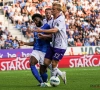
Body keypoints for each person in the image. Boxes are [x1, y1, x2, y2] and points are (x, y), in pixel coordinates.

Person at [34, 3, 67, 85]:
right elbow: (45, 27)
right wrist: (40, 32)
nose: (52, 10)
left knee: (54, 63)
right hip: (53, 44)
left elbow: (54, 30)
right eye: (52, 8)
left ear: (58, 11)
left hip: (60, 45)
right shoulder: (52, 20)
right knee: (45, 62)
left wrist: (41, 31)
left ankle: (53, 82)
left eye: (53, 9)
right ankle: (60, 74)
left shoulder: (61, 19)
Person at [20, 13, 51, 87]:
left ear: (41, 19)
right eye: (34, 21)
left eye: (36, 20)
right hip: (36, 50)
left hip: (45, 51)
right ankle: (41, 82)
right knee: (31, 63)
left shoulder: (47, 27)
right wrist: (25, 43)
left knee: (42, 71)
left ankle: (45, 81)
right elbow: (34, 42)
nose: (35, 22)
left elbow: (51, 38)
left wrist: (44, 37)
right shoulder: (35, 30)